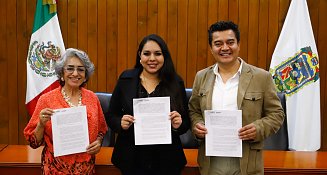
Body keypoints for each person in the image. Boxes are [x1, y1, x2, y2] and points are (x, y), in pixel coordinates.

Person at [188, 21, 285, 175]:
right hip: (211, 159)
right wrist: (197, 125)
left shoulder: (261, 77)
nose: (225, 48)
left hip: (247, 161)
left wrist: (258, 128)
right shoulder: (201, 77)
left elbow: (277, 114)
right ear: (211, 48)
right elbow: (193, 110)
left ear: (238, 45)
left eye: (230, 42)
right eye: (218, 43)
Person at [106, 34, 190, 175]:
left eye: (157, 54)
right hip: (132, 157)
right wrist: (120, 122)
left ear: (164, 56)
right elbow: (111, 115)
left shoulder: (176, 82)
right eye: (147, 53)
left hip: (166, 159)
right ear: (140, 55)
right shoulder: (126, 79)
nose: (152, 59)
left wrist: (178, 125)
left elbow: (186, 121)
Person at [24, 48, 108, 175]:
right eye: (70, 68)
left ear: (86, 75)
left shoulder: (92, 98)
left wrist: (98, 143)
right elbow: (33, 143)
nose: (75, 73)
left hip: (86, 169)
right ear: (61, 73)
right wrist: (41, 124)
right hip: (55, 168)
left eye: (80, 69)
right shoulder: (46, 100)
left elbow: (101, 130)